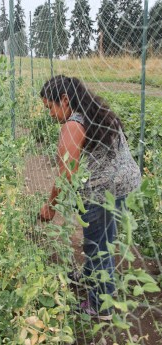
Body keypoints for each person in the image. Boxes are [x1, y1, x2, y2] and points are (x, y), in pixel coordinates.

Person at [39, 75, 141, 321]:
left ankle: (100, 306)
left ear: (64, 100)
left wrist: (50, 206)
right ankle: (89, 275)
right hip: (124, 184)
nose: (50, 114)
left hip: (102, 191)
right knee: (103, 238)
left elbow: (67, 173)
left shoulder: (73, 125)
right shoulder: (97, 112)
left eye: (50, 107)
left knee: (97, 247)